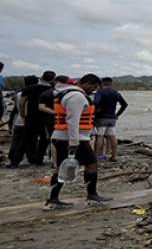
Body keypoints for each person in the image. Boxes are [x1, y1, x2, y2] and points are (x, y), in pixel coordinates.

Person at [45, 74, 108, 208]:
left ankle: (52, 199)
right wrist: (74, 142)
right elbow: (72, 120)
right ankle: (92, 196)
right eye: (94, 87)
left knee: (60, 169)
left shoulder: (66, 93)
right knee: (92, 164)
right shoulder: (77, 96)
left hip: (62, 137)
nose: (94, 90)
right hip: (73, 138)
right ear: (88, 83)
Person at [92, 77, 128, 162]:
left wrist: (96, 110)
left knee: (100, 136)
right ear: (111, 84)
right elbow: (124, 104)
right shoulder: (116, 93)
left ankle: (96, 156)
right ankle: (114, 156)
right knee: (112, 137)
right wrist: (117, 115)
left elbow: (96, 102)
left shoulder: (100, 92)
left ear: (102, 84)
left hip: (101, 117)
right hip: (112, 118)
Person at [6, 75, 35, 168]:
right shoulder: (32, 93)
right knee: (23, 144)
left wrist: (10, 123)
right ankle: (16, 161)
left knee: (15, 142)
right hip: (26, 122)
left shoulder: (19, 94)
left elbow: (15, 110)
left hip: (18, 121)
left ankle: (12, 160)